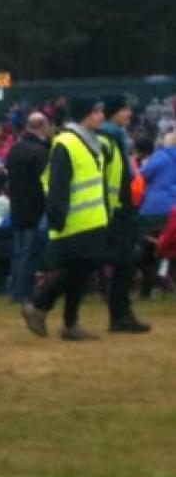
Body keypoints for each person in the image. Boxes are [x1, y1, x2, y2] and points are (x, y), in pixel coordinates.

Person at [21, 98, 111, 340]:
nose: (101, 116)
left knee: (80, 271)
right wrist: (57, 216)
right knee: (77, 269)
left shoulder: (94, 143)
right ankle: (40, 304)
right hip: (74, 221)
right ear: (84, 116)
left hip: (91, 219)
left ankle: (69, 323)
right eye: (96, 113)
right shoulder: (67, 143)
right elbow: (58, 184)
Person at [98, 96, 149, 333]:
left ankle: (121, 314)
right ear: (114, 112)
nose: (129, 113)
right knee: (123, 259)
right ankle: (120, 314)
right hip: (117, 207)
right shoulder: (110, 138)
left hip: (122, 204)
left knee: (125, 260)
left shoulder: (117, 137)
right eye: (125, 109)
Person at [6, 112, 52, 303]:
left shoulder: (15, 150)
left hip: (17, 207)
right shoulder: (41, 153)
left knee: (19, 252)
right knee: (30, 253)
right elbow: (47, 184)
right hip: (35, 208)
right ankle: (23, 293)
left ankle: (15, 290)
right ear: (43, 127)